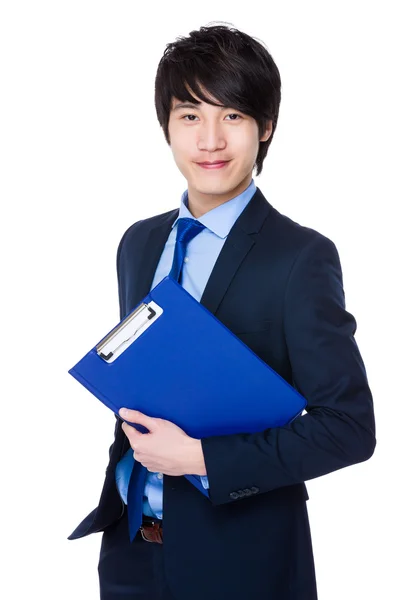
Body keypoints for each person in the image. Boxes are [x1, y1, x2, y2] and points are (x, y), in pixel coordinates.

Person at [68, 23, 376, 600]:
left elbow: (350, 430)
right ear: (166, 126)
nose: (209, 140)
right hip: (134, 550)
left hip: (242, 560)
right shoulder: (138, 243)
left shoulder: (300, 257)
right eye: (190, 115)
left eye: (232, 115)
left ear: (265, 128)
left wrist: (199, 457)